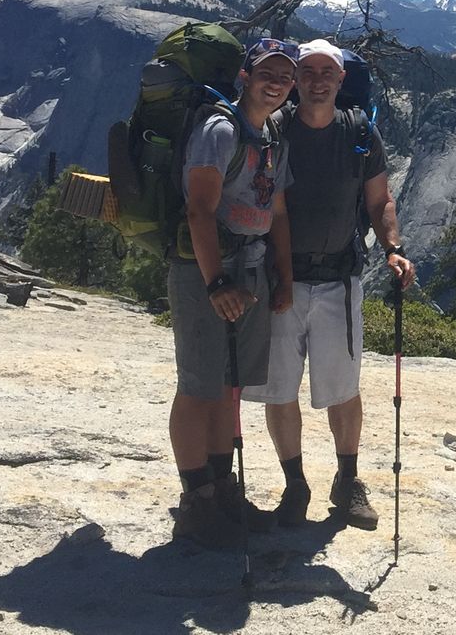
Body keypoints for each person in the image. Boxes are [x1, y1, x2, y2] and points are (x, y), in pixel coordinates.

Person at [243, 38, 416, 530]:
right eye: (308, 71)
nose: (317, 79)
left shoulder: (360, 132)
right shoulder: (274, 131)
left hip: (340, 279)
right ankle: (295, 485)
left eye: (327, 72)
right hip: (282, 281)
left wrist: (393, 248)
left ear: (341, 81)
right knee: (279, 390)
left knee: (343, 389)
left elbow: (381, 201)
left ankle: (346, 480)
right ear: (297, 80)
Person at [166, 37, 297, 549]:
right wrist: (214, 281)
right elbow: (199, 209)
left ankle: (222, 490)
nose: (278, 83)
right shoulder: (219, 130)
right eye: (269, 73)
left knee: (229, 385)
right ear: (244, 76)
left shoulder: (271, 138)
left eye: (286, 77)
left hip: (252, 269)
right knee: (198, 385)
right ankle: (195, 500)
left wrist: (281, 276)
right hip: (206, 270)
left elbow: (278, 211)